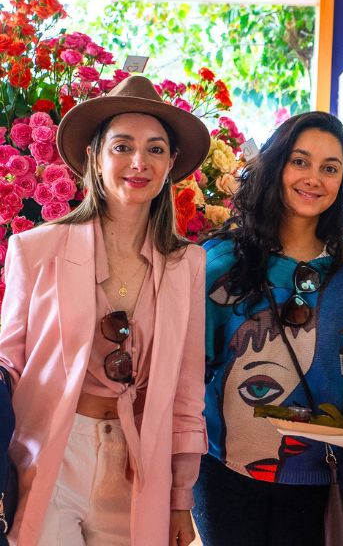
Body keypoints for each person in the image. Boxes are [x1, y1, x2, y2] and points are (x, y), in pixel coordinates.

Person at [0, 75, 210, 545]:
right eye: (122, 147)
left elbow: (185, 390)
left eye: (156, 149)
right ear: (94, 156)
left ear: (171, 164)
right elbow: (7, 365)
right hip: (51, 451)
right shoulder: (34, 249)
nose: (139, 162)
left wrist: (181, 498)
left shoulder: (187, 265)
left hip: (139, 463)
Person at [193, 112, 343, 544]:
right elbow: (187, 372)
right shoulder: (217, 264)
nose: (314, 178)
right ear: (276, 165)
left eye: (330, 167)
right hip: (224, 472)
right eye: (300, 161)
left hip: (327, 478)